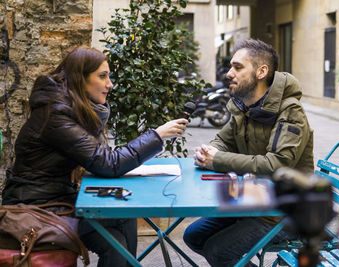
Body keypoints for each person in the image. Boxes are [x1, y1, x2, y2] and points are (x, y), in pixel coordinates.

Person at [1, 46, 188, 267]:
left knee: (118, 237)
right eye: (102, 76)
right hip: (37, 207)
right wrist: (157, 135)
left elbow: (101, 158)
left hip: (60, 198)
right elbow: (108, 163)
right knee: (119, 229)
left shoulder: (72, 108)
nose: (110, 84)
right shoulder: (56, 115)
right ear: (80, 79)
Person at [183, 39, 314, 266]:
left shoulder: (291, 111)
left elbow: (278, 164)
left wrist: (218, 160)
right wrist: (209, 152)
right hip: (253, 202)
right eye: (231, 66)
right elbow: (223, 140)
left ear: (261, 71)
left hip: (285, 212)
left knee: (218, 251)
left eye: (238, 67)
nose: (229, 73)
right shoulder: (245, 106)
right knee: (193, 235)